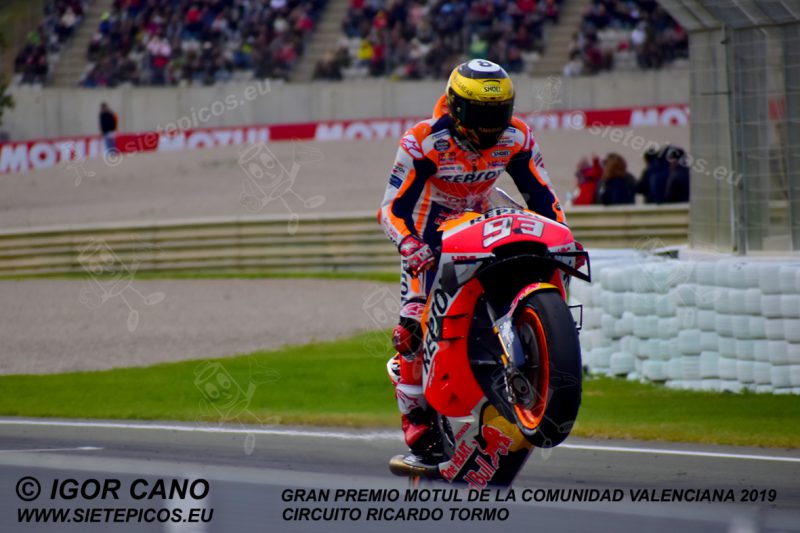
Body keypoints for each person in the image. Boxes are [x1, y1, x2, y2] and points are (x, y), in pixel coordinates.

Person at [377, 59, 565, 466]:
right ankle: (417, 421)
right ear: (457, 107)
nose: (491, 123)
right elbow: (391, 209)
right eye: (481, 114)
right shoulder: (422, 141)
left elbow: (542, 195)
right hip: (429, 235)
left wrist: (559, 234)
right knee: (412, 326)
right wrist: (409, 244)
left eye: (499, 112)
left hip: (482, 221)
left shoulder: (517, 136)